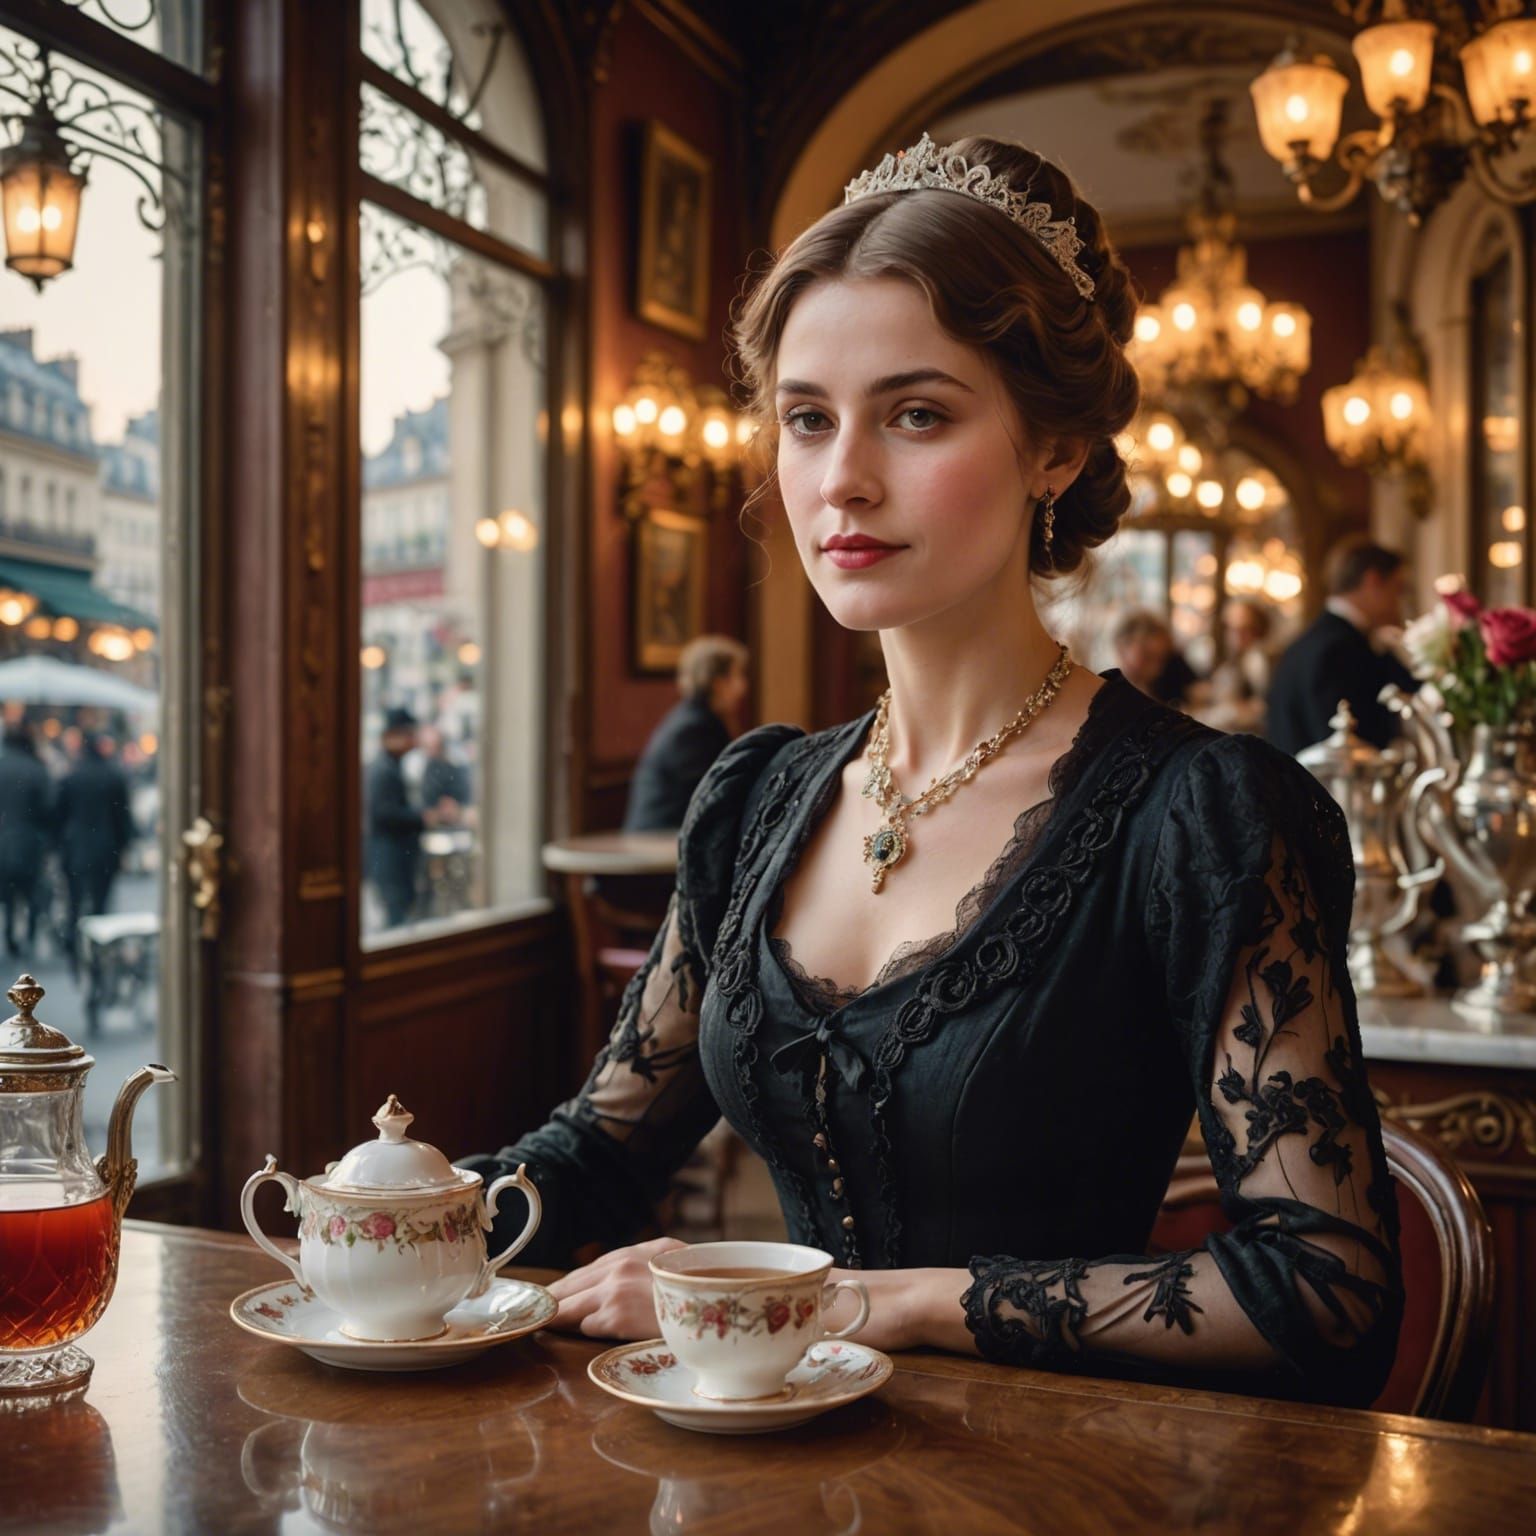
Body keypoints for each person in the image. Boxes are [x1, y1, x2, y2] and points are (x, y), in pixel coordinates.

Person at [461, 132, 1401, 1407]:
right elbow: (590, 1158)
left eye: (916, 414)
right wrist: (384, 1217)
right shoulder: (757, 804)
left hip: (1057, 1490)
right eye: (806, 420)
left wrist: (858, 1302)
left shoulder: (1205, 815)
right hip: (756, 1471)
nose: (841, 479)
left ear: (1053, 449)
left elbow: (1326, 1292)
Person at [1267, 538, 1418, 756]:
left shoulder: (1320, 639)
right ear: (1373, 581)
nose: (1399, 602)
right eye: (1398, 589)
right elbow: (1342, 748)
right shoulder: (1338, 648)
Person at [623, 635, 750, 832]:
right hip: (658, 836)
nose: (743, 686)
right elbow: (714, 793)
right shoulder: (693, 728)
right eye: (738, 675)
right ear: (718, 683)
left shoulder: (699, 719)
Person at [55, 733, 135, 966]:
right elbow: (122, 818)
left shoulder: (71, 777)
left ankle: (73, 941)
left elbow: (59, 816)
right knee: (101, 901)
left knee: (75, 900)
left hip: (76, 847)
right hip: (104, 847)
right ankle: (97, 949)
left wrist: (60, 845)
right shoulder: (113, 776)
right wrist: (123, 847)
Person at [366, 706, 431, 929]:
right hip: (390, 856)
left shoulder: (389, 765)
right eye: (407, 734)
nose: (412, 740)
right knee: (396, 919)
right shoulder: (383, 769)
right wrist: (421, 817)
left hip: (394, 855)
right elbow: (384, 813)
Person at [0, 721, 53, 957]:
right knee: (31, 892)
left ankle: (10, 936)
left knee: (8, 894)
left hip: (3, 840)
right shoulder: (37, 769)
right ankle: (29, 936)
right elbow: (49, 807)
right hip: (31, 841)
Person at [1200, 599, 1275, 736]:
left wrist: (1227, 712)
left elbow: (1264, 706)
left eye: (1244, 629)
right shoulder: (1235, 659)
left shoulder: (1258, 659)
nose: (1235, 635)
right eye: (1230, 628)